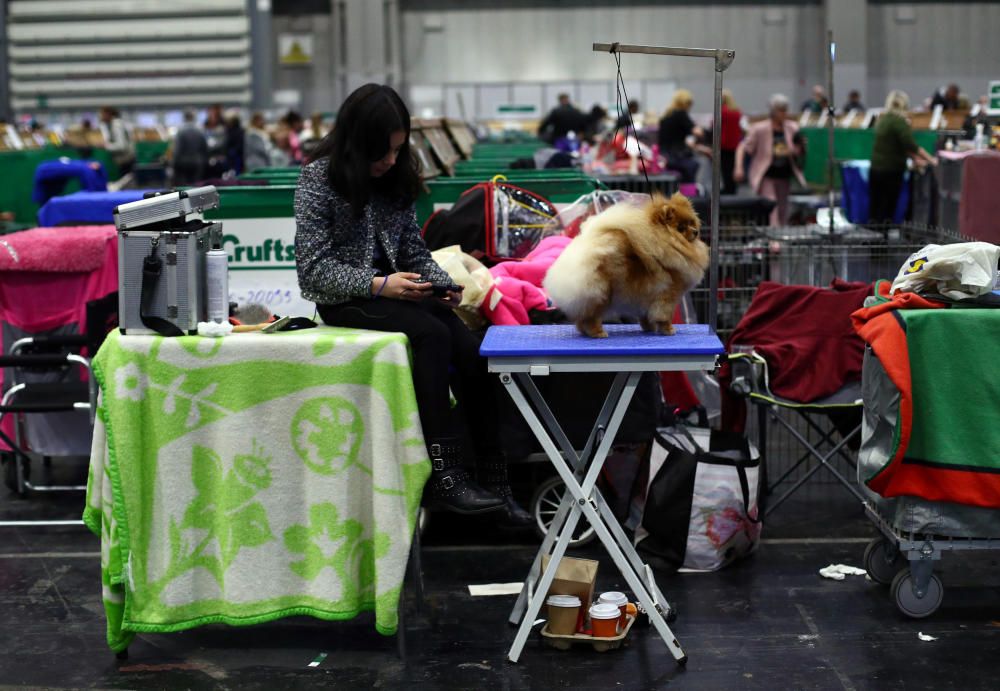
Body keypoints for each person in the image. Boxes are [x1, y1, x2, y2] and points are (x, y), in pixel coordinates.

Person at [294, 84, 531, 525]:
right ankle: (444, 475)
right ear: (355, 144)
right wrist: (379, 285)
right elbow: (312, 272)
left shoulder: (396, 179)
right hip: (347, 301)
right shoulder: (317, 180)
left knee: (474, 354)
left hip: (401, 294)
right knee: (433, 335)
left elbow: (413, 249)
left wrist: (442, 284)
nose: (388, 161)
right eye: (380, 153)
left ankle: (497, 485)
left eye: (396, 151)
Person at [734, 94, 806, 227]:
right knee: (772, 205)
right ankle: (774, 240)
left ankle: (781, 235)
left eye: (785, 109)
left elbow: (798, 151)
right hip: (766, 174)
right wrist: (739, 167)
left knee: (783, 208)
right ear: (773, 111)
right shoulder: (759, 128)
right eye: (781, 110)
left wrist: (800, 147)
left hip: (784, 174)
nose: (784, 113)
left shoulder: (792, 127)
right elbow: (743, 147)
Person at [869, 90, 937, 224]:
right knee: (888, 207)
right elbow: (911, 145)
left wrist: (914, 158)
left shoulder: (883, 120)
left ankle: (875, 239)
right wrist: (931, 160)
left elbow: (897, 145)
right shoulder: (899, 122)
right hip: (891, 170)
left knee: (876, 207)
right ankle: (883, 240)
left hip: (876, 168)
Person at [657, 89, 705, 183]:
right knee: (695, 165)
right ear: (685, 103)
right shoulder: (681, 114)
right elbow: (698, 132)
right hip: (675, 156)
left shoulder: (666, 115)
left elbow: (674, 137)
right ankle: (688, 192)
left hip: (663, 155)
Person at [171, 110, 208, 186]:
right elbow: (204, 148)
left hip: (183, 164)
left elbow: (177, 150)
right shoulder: (199, 131)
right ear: (193, 118)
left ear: (184, 118)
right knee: (197, 185)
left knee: (184, 187)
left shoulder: (180, 132)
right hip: (197, 163)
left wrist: (173, 163)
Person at [717, 89, 743, 194]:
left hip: (724, 143)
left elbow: (717, 127)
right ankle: (732, 187)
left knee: (725, 168)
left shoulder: (721, 111)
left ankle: (728, 188)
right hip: (735, 143)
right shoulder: (737, 111)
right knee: (733, 166)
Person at [98, 106, 135, 177]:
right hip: (124, 161)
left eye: (102, 114)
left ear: (108, 114)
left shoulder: (117, 125)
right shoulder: (111, 125)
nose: (100, 116)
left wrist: (105, 146)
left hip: (127, 161)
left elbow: (121, 146)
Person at [223, 111, 245, 176]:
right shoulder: (229, 131)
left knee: (237, 174)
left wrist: (233, 151)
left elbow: (240, 144)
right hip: (231, 157)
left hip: (237, 157)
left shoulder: (239, 131)